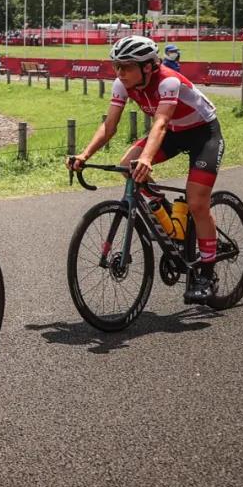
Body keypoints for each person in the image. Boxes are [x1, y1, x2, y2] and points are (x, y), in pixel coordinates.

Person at [68, 35, 223, 304]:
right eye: (117, 66)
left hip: (203, 134)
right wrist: (84, 154)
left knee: (197, 202)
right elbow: (109, 126)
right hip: (173, 133)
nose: (120, 72)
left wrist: (147, 158)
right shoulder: (122, 84)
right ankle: (167, 215)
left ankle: (207, 276)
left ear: (148, 66)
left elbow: (160, 123)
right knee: (127, 165)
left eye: (127, 66)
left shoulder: (168, 81)